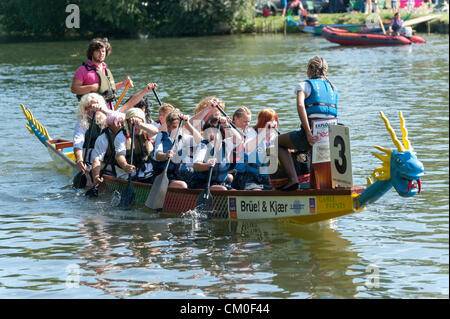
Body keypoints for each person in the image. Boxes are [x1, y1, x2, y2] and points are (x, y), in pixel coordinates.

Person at [276, 56, 338, 191]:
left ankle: (293, 180)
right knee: (311, 148)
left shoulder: (304, 85)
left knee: (277, 142)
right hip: (330, 135)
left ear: (309, 69)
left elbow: (300, 105)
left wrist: (309, 133)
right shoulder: (333, 88)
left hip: (313, 134)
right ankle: (315, 184)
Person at [71, 38, 129, 110]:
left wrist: (123, 84)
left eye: (103, 51)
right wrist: (92, 87)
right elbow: (74, 89)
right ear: (92, 52)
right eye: (98, 51)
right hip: (91, 112)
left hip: (108, 111)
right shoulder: (82, 70)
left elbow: (107, 90)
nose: (101, 54)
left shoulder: (106, 70)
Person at [190, 115, 242, 191]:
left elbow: (238, 139)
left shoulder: (226, 144)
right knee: (222, 189)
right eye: (208, 132)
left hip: (221, 184)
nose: (211, 135)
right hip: (203, 184)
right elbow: (196, 166)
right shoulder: (203, 146)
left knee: (231, 188)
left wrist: (226, 125)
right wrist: (208, 165)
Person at [153, 111, 203, 189]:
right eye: (168, 126)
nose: (170, 129)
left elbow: (200, 140)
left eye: (174, 127)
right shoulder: (161, 136)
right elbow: (157, 155)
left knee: (201, 180)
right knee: (182, 185)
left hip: (181, 174)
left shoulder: (184, 137)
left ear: (180, 126)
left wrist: (187, 124)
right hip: (166, 175)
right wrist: (165, 155)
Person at [232, 109, 279, 190]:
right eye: (270, 121)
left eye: (274, 120)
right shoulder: (253, 132)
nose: (273, 124)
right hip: (250, 176)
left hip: (267, 177)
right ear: (263, 122)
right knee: (257, 191)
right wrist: (264, 132)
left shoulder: (275, 136)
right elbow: (247, 148)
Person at [114, 108, 159, 182]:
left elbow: (155, 131)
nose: (136, 126)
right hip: (128, 175)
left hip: (147, 173)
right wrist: (125, 165)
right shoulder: (121, 136)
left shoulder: (145, 132)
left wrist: (140, 124)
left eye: (139, 123)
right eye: (132, 124)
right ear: (127, 123)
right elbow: (120, 155)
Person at [73, 93, 109, 177]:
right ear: (84, 109)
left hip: (104, 155)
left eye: (94, 107)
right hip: (88, 157)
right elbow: (78, 142)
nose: (91, 110)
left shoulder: (107, 118)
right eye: (88, 107)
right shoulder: (82, 122)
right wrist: (79, 160)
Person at [90, 112, 125, 186]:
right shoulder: (102, 139)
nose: (120, 126)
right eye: (117, 123)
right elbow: (97, 160)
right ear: (109, 125)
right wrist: (96, 176)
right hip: (109, 170)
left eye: (122, 123)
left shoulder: (127, 134)